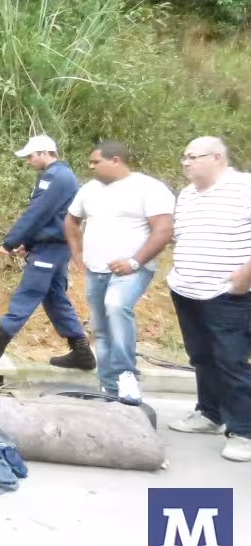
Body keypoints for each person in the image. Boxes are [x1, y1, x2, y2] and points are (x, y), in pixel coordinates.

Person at [0, 134, 95, 369]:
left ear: (45, 153)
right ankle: (81, 352)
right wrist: (30, 243)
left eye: (31, 155)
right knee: (55, 298)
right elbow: (50, 217)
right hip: (52, 247)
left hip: (51, 249)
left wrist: (11, 241)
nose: (28, 160)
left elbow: (38, 212)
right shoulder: (59, 175)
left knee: (28, 293)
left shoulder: (56, 176)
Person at [64, 141, 175, 405]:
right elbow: (70, 220)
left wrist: (134, 262)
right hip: (96, 270)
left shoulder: (148, 188)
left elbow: (163, 230)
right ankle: (109, 387)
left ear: (115, 160)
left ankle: (126, 374)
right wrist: (77, 253)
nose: (90, 166)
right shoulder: (89, 190)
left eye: (95, 162)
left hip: (132, 270)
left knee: (116, 306)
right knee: (101, 328)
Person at [165, 136, 251, 462]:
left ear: (217, 157)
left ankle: (244, 431)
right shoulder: (187, 194)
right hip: (187, 289)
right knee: (201, 356)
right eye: (184, 157)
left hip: (227, 293)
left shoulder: (244, 188)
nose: (185, 163)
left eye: (192, 157)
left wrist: (246, 275)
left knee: (231, 361)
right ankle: (210, 414)